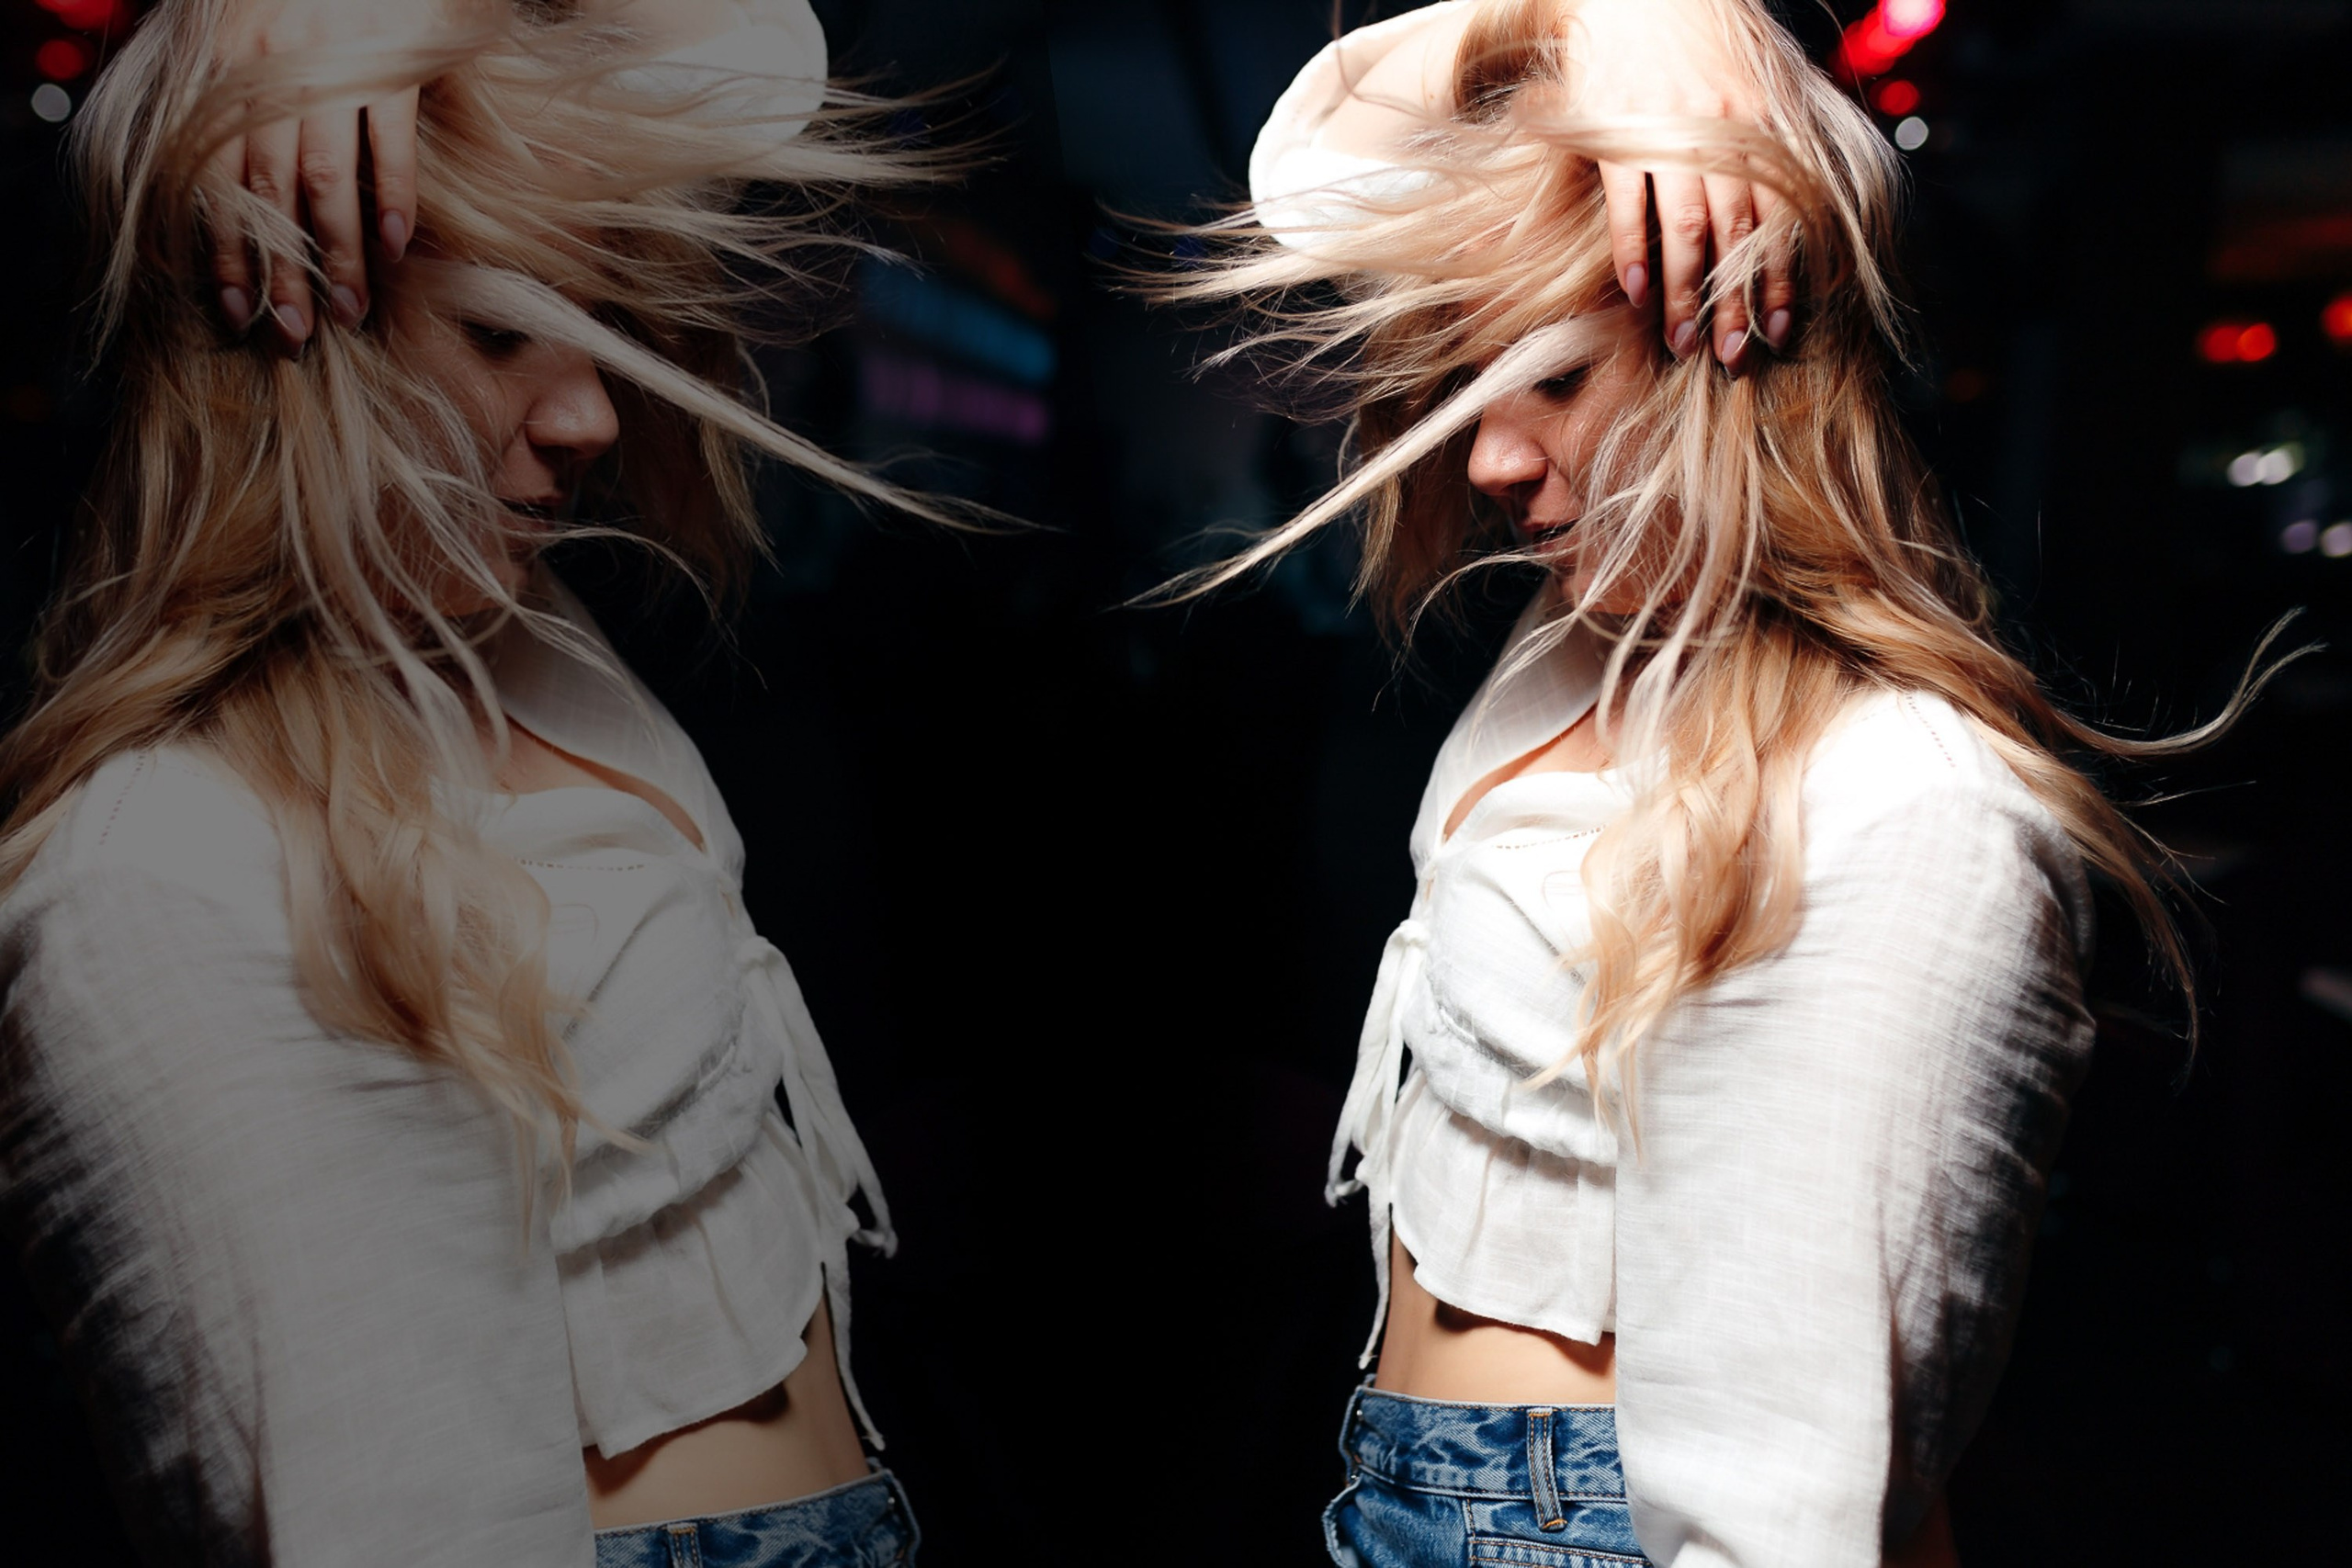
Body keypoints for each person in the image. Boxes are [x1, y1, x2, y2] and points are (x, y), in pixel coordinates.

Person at [1157, 2, 2291, 1564]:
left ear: (1737, 350)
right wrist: (1599, 17)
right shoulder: (1592, 644)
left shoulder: (1909, 803)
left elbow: (1799, 1488)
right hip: (1423, 1486)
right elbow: (1317, 165)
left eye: (1552, 381)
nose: (1487, 462)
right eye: (1470, 385)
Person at [0, 2, 957, 1562]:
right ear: (282, 322)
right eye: (504, 333)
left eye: (600, 335)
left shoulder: (525, 638)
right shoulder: (144, 869)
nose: (590, 417)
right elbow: (381, 1514)